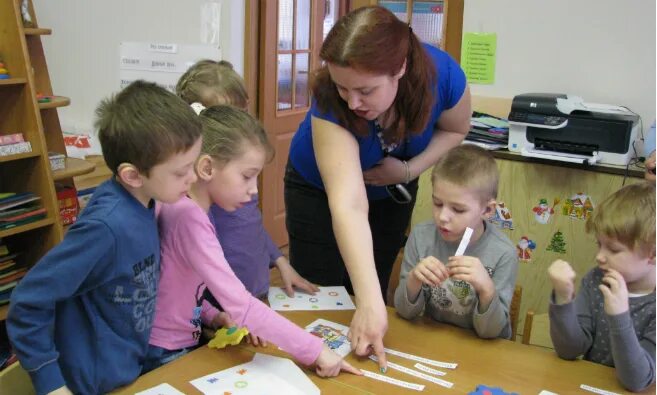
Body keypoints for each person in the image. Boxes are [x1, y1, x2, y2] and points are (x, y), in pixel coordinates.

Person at [284, 5, 471, 368]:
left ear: (399, 69)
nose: (352, 102)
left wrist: (407, 170)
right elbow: (349, 204)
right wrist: (369, 303)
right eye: (343, 88)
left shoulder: (443, 75)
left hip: (392, 191)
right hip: (318, 191)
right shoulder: (330, 101)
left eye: (365, 90)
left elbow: (456, 130)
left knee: (373, 277)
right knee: (321, 294)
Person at [6, 81, 202, 395]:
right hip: (91, 385)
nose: (193, 178)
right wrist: (50, 383)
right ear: (133, 175)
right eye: (181, 172)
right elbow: (28, 302)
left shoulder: (148, 201)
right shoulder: (105, 228)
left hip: (128, 374)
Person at [145, 105, 360, 378]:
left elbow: (178, 285)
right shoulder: (189, 217)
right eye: (247, 176)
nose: (254, 189)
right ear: (207, 167)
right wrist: (317, 351)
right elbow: (242, 305)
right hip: (166, 350)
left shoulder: (189, 207)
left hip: (173, 339)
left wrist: (213, 315)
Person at [176, 60, 318, 347]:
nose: (253, 190)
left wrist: (280, 261)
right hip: (224, 309)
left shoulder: (233, 189)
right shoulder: (202, 203)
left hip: (253, 298)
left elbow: (252, 226)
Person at [394, 144, 518, 338]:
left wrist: (486, 290)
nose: (443, 217)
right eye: (437, 203)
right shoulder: (421, 236)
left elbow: (491, 332)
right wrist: (413, 280)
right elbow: (404, 312)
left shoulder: (503, 253)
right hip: (435, 342)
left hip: (482, 351)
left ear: (487, 210)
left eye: (458, 210)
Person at [548, 182, 656, 392]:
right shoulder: (597, 279)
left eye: (613, 250)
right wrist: (563, 298)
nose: (599, 257)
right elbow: (569, 350)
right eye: (599, 245)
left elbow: (638, 381)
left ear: (652, 254)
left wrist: (619, 316)